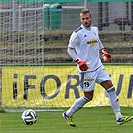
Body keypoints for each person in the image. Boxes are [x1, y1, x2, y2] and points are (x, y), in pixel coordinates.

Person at [62, 9, 133, 127]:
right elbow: (70, 49)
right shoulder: (77, 33)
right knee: (88, 97)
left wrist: (103, 51)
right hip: (86, 70)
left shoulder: (95, 30)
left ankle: (119, 117)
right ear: (81, 20)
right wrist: (78, 61)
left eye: (87, 18)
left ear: (91, 18)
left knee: (111, 89)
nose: (85, 21)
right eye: (83, 19)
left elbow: (98, 42)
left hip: (98, 67)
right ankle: (68, 114)